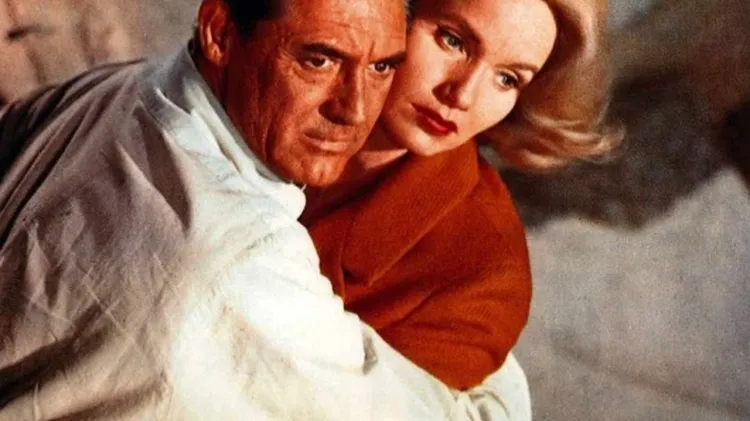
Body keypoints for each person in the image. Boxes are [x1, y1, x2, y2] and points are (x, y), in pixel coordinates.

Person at [0, 0, 527, 420]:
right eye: (319, 60)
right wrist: (501, 391)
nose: (354, 109)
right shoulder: (247, 263)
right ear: (220, 32)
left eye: (382, 66)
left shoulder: (118, 85)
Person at [303, 0, 621, 395]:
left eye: (507, 79)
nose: (463, 95)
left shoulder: (486, 280)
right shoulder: (267, 82)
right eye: (453, 41)